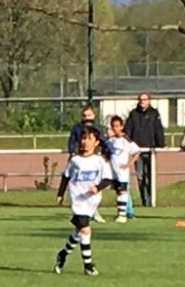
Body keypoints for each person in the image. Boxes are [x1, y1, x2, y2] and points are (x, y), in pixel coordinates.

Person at [54, 126, 113, 276]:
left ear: (96, 142)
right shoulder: (75, 160)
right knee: (86, 230)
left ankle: (63, 254)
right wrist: (60, 194)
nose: (85, 142)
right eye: (83, 138)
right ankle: (88, 265)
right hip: (78, 200)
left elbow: (107, 179)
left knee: (79, 231)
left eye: (89, 139)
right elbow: (66, 177)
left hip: (92, 201)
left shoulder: (99, 161)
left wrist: (97, 188)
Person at [123, 92, 165, 207]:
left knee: (150, 176)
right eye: (141, 99)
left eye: (145, 99)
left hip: (150, 150)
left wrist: (160, 144)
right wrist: (129, 144)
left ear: (149, 100)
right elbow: (128, 130)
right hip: (137, 151)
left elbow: (158, 129)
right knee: (140, 176)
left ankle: (151, 199)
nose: (143, 101)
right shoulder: (133, 114)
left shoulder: (154, 113)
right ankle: (145, 201)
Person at [66, 105, 107, 223]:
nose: (87, 118)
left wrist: (105, 153)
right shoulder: (77, 128)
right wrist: (72, 153)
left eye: (89, 115)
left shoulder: (98, 128)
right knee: (79, 184)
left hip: (94, 158)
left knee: (94, 184)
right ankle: (79, 212)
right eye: (84, 115)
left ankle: (94, 211)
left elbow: (103, 141)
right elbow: (72, 141)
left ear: (94, 115)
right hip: (81, 159)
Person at [105, 115, 141, 223]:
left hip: (122, 171)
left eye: (117, 126)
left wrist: (128, 164)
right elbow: (106, 152)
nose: (115, 128)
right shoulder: (110, 141)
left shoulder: (126, 140)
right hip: (113, 171)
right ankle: (120, 213)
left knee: (123, 191)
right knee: (118, 192)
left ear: (121, 127)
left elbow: (137, 151)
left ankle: (123, 215)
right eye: (113, 126)